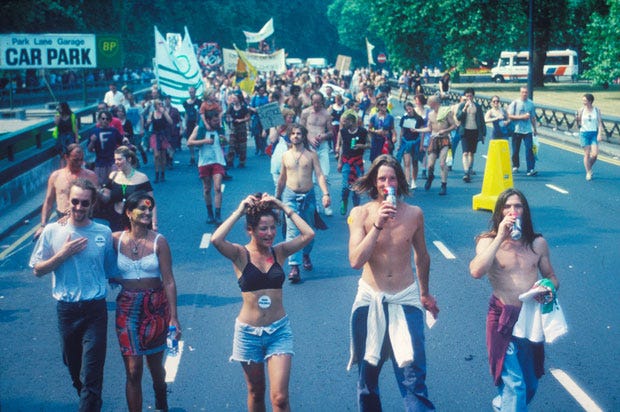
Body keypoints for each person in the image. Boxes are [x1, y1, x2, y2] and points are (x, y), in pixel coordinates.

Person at [347, 154, 439, 411]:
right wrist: (377, 225)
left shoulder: (414, 214)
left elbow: (422, 256)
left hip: (405, 298)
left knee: (413, 375)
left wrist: (425, 293)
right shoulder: (360, 213)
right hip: (370, 299)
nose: (387, 183)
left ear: (399, 181)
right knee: (368, 378)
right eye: (382, 178)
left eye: (392, 178)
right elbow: (355, 260)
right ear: (374, 182)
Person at [211, 192, 314, 412]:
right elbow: (216, 240)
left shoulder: (280, 252)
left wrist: (282, 206)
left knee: (280, 398)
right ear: (250, 230)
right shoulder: (240, 254)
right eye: (263, 229)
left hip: (279, 331)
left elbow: (308, 233)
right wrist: (239, 211)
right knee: (256, 393)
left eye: (272, 228)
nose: (270, 234)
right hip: (248, 334)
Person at [30, 178, 118, 411]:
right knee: (73, 366)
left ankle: (89, 402)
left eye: (84, 203)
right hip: (67, 312)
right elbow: (38, 269)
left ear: (93, 205)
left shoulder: (103, 233)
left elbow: (112, 269)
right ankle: (87, 396)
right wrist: (63, 254)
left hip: (95, 311)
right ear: (68, 202)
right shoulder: (52, 231)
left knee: (92, 373)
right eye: (75, 202)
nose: (79, 208)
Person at [469, 188, 560, 411]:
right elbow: (476, 271)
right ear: (499, 212)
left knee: (530, 384)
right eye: (507, 207)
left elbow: (552, 277)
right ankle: (508, 400)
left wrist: (548, 287)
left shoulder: (537, 243)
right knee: (515, 385)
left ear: (524, 211)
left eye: (517, 206)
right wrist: (500, 236)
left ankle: (503, 403)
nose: (512, 211)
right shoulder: (487, 241)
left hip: (529, 319)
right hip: (502, 317)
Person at [111, 192, 180, 412]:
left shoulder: (159, 241)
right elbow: (88, 235)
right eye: (142, 208)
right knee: (133, 369)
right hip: (127, 308)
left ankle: (161, 399)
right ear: (129, 213)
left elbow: (168, 281)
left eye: (150, 208)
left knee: (155, 367)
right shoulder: (115, 239)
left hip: (155, 306)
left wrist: (174, 318)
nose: (147, 212)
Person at [275, 124, 330, 283]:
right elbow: (282, 179)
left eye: (299, 133)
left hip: (308, 197)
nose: (295, 136)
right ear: (289, 137)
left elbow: (319, 174)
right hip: (290, 197)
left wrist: (325, 194)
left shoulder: (311, 155)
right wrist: (277, 200)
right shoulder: (285, 155)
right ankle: (294, 266)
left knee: (309, 232)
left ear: (303, 136)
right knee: (292, 231)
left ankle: (306, 254)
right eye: (293, 134)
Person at [34, 144, 99, 240]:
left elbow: (95, 202)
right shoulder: (55, 176)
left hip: (84, 219)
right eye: (75, 160)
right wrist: (43, 225)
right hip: (62, 220)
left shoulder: (90, 176)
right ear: (66, 157)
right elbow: (48, 202)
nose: (79, 163)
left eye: (81, 160)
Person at [101, 146, 157, 231]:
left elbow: (150, 202)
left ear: (129, 159)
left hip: (135, 220)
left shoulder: (142, 178)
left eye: (119, 159)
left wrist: (154, 223)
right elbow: (106, 198)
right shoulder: (113, 176)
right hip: (116, 219)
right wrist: (98, 192)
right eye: (115, 159)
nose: (116, 162)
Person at [187, 110, 227, 225]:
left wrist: (224, 140)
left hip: (217, 160)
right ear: (208, 120)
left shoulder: (220, 129)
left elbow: (225, 143)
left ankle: (218, 215)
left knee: (218, 187)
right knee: (207, 189)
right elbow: (189, 142)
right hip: (204, 161)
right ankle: (210, 214)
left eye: (218, 120)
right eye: (215, 121)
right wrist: (204, 141)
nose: (217, 122)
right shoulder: (199, 129)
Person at [300, 91, 334, 216]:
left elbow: (331, 132)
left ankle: (327, 203)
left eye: (318, 103)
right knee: (313, 179)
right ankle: (317, 205)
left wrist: (323, 135)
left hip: (322, 146)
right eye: (314, 102)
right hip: (309, 146)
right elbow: (300, 130)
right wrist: (309, 138)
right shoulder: (305, 112)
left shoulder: (326, 114)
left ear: (322, 102)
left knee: (325, 175)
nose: (316, 105)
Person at [416, 95, 457, 195]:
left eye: (429, 101)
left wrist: (445, 130)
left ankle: (443, 185)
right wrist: (417, 130)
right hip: (434, 139)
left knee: (442, 163)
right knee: (430, 164)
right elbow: (429, 129)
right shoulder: (430, 114)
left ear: (435, 103)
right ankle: (430, 177)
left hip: (444, 139)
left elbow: (454, 125)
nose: (428, 103)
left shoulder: (446, 112)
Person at [336, 113, 369, 215]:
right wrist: (339, 163)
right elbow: (341, 147)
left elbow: (369, 144)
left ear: (352, 121)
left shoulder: (363, 131)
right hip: (346, 161)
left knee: (357, 187)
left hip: (358, 162)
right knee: (345, 186)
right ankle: (344, 201)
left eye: (346, 121)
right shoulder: (343, 132)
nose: (343, 123)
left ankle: (356, 209)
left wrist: (361, 146)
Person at [456, 87, 486, 183]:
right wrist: (464, 108)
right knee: (465, 152)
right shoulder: (462, 105)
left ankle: (470, 169)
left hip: (475, 131)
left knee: (471, 153)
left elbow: (482, 120)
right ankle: (466, 172)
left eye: (470, 96)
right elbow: (459, 117)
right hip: (465, 131)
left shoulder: (477, 106)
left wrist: (483, 133)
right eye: (467, 96)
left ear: (473, 96)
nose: (469, 97)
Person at [88, 110, 125, 185]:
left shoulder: (114, 131)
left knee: (115, 183)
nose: (105, 121)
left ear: (110, 120)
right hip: (100, 162)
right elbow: (89, 149)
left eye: (107, 119)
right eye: (103, 118)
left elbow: (121, 144)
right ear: (99, 119)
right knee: (100, 184)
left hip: (113, 161)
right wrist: (92, 141)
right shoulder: (94, 132)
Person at [507, 87, 538, 176]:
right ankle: (516, 165)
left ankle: (530, 169)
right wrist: (522, 117)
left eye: (526, 92)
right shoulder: (515, 103)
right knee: (515, 150)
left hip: (527, 130)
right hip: (516, 129)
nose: (524, 94)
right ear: (520, 93)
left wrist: (534, 129)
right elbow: (509, 116)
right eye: (523, 92)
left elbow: (532, 117)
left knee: (529, 149)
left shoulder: (531, 103)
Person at [575, 93, 604, 181]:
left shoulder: (597, 110)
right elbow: (579, 122)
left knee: (595, 155)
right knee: (587, 154)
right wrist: (577, 119)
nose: (583, 102)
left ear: (590, 101)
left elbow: (599, 123)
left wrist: (600, 134)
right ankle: (588, 172)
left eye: (585, 100)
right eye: (583, 100)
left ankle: (588, 166)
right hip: (584, 133)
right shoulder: (581, 110)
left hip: (593, 133)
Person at [396, 101, 424, 189]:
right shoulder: (404, 118)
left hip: (416, 142)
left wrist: (421, 145)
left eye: (409, 108)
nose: (408, 110)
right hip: (406, 141)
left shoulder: (419, 118)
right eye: (406, 109)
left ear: (412, 108)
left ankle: (413, 181)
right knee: (406, 163)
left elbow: (422, 133)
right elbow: (402, 132)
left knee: (415, 162)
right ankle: (407, 181)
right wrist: (399, 144)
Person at [145, 99, 173, 183]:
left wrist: (164, 112)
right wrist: (148, 122)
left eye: (161, 104)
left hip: (162, 135)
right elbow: (147, 124)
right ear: (155, 105)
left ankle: (163, 174)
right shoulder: (152, 113)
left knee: (163, 156)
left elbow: (171, 122)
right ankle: (157, 174)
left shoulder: (164, 112)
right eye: (158, 104)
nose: (160, 105)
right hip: (155, 135)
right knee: (156, 156)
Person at [269, 108, 295, 191]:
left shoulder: (293, 129)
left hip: (289, 160)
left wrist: (289, 145)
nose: (291, 120)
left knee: (289, 184)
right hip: (276, 159)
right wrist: (279, 129)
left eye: (292, 118)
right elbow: (272, 140)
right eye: (289, 117)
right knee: (278, 184)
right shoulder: (274, 127)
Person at [226, 92, 251, 168]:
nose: (233, 100)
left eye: (234, 98)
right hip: (233, 128)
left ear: (239, 99)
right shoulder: (231, 107)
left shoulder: (243, 108)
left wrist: (241, 120)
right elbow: (227, 116)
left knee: (242, 146)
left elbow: (248, 117)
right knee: (231, 145)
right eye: (232, 98)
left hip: (241, 128)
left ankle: (242, 161)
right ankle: (230, 161)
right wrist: (229, 119)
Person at [368, 98, 396, 162]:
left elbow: (392, 129)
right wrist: (376, 131)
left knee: (386, 161)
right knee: (375, 161)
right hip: (376, 141)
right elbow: (369, 129)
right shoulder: (374, 117)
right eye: (382, 104)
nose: (384, 106)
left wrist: (394, 137)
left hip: (386, 141)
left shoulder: (390, 117)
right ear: (378, 106)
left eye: (385, 104)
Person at [183, 86, 202, 166]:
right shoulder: (186, 103)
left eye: (192, 92)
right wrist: (185, 124)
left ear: (195, 92)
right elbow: (186, 114)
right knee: (189, 140)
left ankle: (200, 156)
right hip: (189, 123)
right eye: (190, 92)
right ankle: (192, 156)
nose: (191, 93)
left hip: (197, 123)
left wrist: (198, 123)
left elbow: (200, 112)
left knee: (198, 139)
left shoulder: (199, 102)